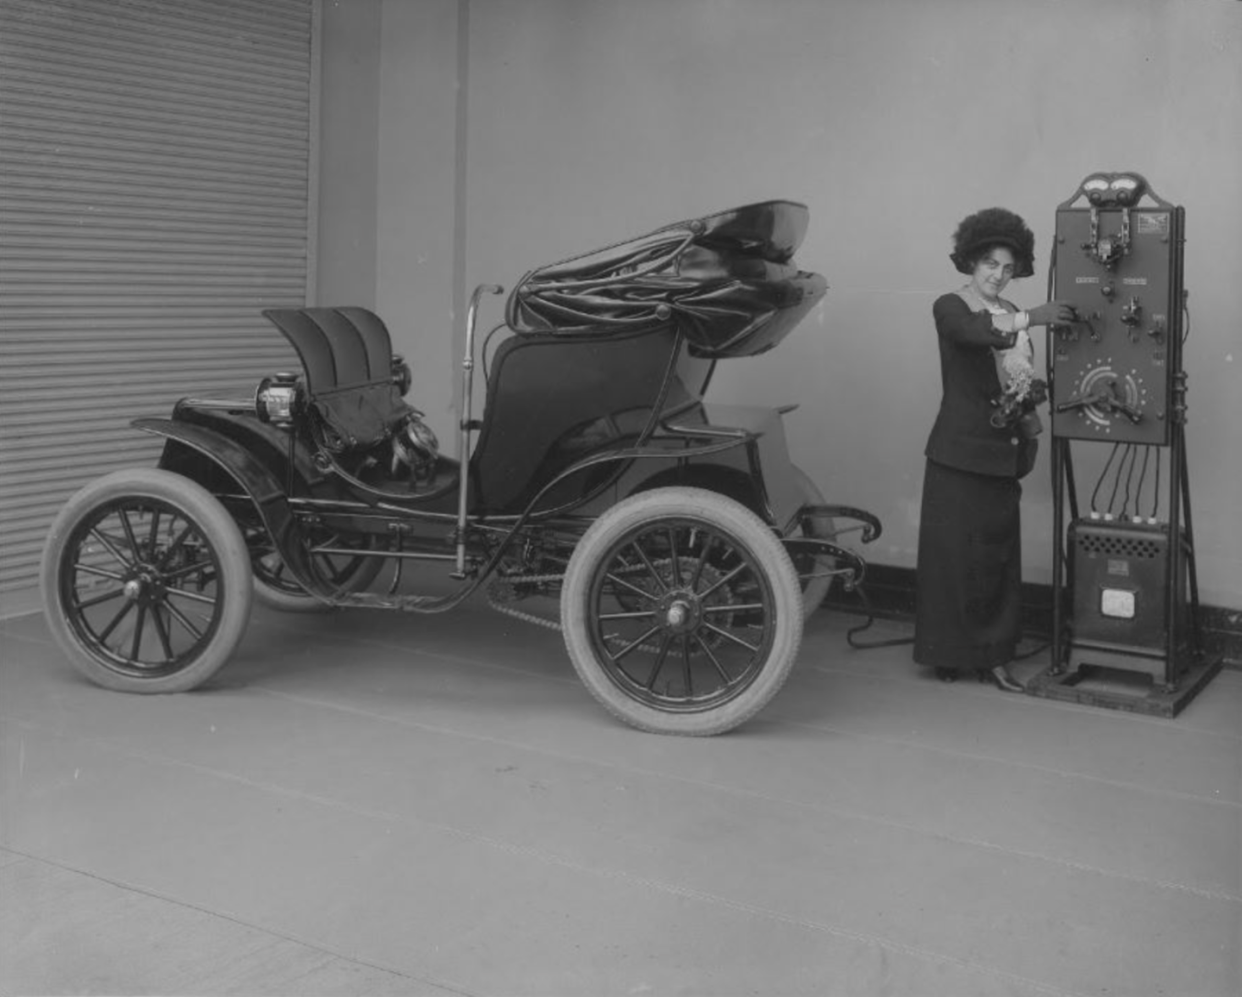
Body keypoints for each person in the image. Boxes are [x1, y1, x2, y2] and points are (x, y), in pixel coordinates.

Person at [913, 207, 1075, 691]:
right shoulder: (950, 305)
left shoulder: (1012, 316)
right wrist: (1035, 317)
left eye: (1007, 268)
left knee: (997, 560)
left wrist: (1030, 430)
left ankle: (994, 657)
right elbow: (970, 333)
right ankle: (949, 652)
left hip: (1003, 453)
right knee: (952, 559)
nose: (998, 275)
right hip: (957, 455)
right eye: (989, 264)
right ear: (969, 262)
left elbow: (1018, 383)